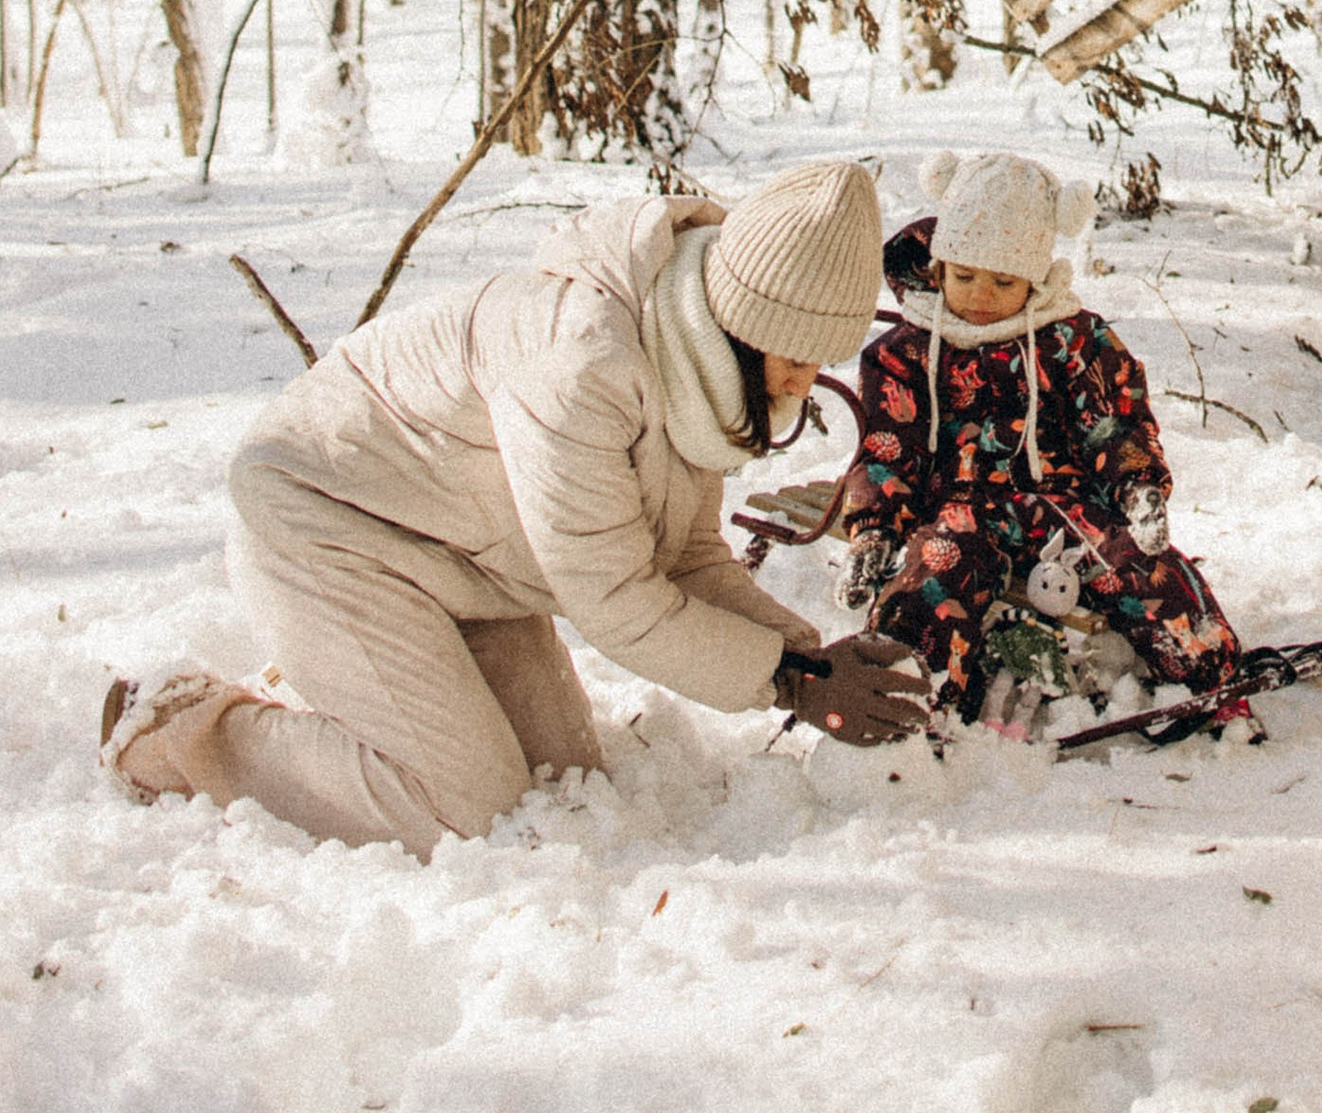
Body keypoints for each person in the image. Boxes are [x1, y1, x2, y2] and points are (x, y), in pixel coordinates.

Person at [98, 162, 931, 857]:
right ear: (740, 321)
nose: (800, 386)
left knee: (561, 783)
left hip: (462, 557)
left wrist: (812, 657)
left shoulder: (694, 360)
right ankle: (180, 728)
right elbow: (617, 598)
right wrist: (788, 682)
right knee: (462, 813)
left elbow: (681, 556)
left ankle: (369, 687)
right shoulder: (581, 366)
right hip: (322, 526)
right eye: (792, 357)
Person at [841, 150, 1322, 725]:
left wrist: (1138, 487)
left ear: (1034, 278)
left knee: (1138, 565)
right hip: (958, 508)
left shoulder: (1072, 339)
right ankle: (903, 701)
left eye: (1003, 281)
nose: (980, 295)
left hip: (1060, 504)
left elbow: (1112, 423)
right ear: (939, 268)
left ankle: (1207, 673)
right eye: (964, 276)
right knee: (933, 578)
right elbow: (887, 449)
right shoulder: (906, 352)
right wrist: (873, 528)